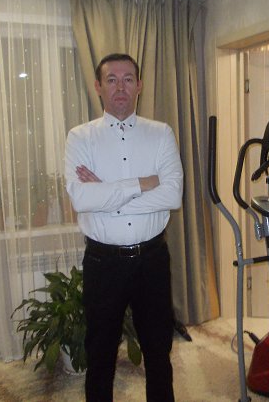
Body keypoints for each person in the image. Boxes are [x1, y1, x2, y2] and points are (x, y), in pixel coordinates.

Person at [64, 53, 183, 402]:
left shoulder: (161, 133)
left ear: (139, 86)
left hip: (152, 260)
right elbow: (81, 199)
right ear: (98, 87)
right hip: (103, 263)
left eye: (128, 79)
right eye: (112, 79)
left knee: (158, 352)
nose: (120, 87)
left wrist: (106, 194)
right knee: (100, 354)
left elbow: (172, 195)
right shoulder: (80, 137)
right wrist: (142, 184)